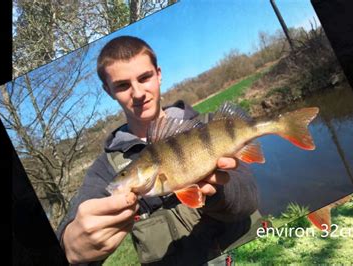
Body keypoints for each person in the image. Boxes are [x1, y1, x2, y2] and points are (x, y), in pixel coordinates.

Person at [56, 36, 261, 265]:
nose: (138, 93)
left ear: (159, 74)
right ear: (108, 90)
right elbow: (78, 216)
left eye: (145, 77)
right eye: (123, 85)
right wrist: (70, 247)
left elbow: (250, 198)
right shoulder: (104, 170)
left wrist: (216, 193)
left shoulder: (210, 127)